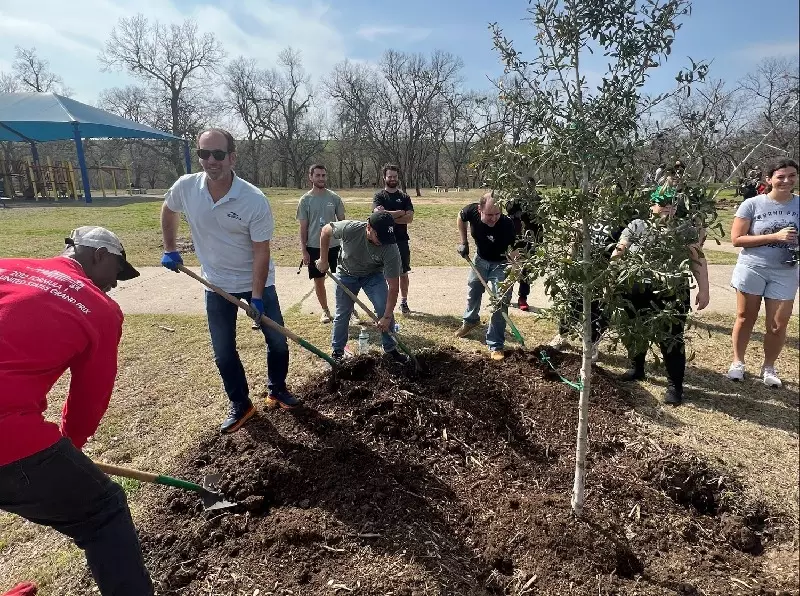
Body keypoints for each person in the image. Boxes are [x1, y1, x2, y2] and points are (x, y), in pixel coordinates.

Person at [0, 226, 154, 595]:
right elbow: (89, 399)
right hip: (7, 436)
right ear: (99, 254)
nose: (115, 284)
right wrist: (70, 447)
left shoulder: (6, 266)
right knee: (104, 512)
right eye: (117, 272)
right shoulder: (99, 308)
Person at [160, 127, 298, 434]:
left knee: (277, 340)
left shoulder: (252, 199)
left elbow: (261, 251)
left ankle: (277, 389)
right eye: (204, 153)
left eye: (218, 154)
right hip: (216, 283)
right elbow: (169, 209)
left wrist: (258, 296)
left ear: (232, 157)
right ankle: (241, 404)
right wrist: (170, 249)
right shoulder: (186, 187)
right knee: (223, 350)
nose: (211, 160)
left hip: (255, 280)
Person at [611, 189, 710, 406]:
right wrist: (610, 278)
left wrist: (704, 289)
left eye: (672, 203)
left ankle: (675, 386)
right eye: (661, 202)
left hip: (671, 293)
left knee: (672, 339)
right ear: (651, 205)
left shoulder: (686, 230)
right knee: (633, 331)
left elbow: (697, 260)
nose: (667, 207)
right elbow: (619, 251)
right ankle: (637, 368)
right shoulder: (637, 225)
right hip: (635, 288)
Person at [727, 158, 799, 387]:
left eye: (792, 176)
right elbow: (737, 240)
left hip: (785, 271)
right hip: (753, 268)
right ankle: (738, 362)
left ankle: (769, 368)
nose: (787, 180)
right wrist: (774, 237)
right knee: (745, 317)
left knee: (778, 324)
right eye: (781, 176)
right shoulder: (752, 204)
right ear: (769, 180)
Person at [315, 212, 409, 364]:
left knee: (384, 307)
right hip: (346, 273)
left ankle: (390, 349)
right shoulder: (350, 229)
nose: (383, 242)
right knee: (343, 313)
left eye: (387, 238)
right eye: (380, 237)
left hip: (372, 275)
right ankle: (337, 352)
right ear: (369, 227)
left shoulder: (390, 248)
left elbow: (393, 286)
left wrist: (386, 316)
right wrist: (323, 259)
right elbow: (325, 230)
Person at [455, 192, 518, 361]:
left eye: (497, 214)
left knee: (500, 301)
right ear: (479, 209)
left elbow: (516, 251)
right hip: (480, 259)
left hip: (502, 263)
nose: (494, 219)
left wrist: (513, 271)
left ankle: (496, 344)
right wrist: (463, 242)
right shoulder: (471, 211)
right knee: (474, 288)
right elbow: (460, 217)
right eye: (489, 215)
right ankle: (470, 321)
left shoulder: (508, 224)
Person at [297, 163, 346, 323]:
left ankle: (348, 311)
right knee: (319, 280)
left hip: (335, 246)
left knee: (344, 280)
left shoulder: (334, 198)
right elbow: (303, 228)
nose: (321, 178)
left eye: (323, 175)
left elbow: (343, 223)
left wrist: (347, 245)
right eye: (317, 175)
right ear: (310, 177)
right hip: (314, 247)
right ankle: (325, 311)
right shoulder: (305, 200)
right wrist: (304, 251)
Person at [373, 164, 414, 314]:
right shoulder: (379, 196)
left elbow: (409, 218)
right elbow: (378, 216)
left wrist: (388, 216)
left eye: (395, 177)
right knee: (382, 274)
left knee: (403, 273)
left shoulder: (404, 197)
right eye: (389, 176)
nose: (392, 179)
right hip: (382, 241)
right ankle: (383, 303)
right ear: (384, 177)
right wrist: (400, 212)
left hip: (401, 240)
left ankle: (404, 302)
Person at [506, 178, 543, 312]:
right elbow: (509, 210)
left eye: (530, 186)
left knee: (527, 269)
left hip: (531, 236)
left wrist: (538, 241)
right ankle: (506, 294)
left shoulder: (538, 199)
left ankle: (523, 297)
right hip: (514, 236)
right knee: (511, 266)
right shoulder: (513, 198)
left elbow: (540, 218)